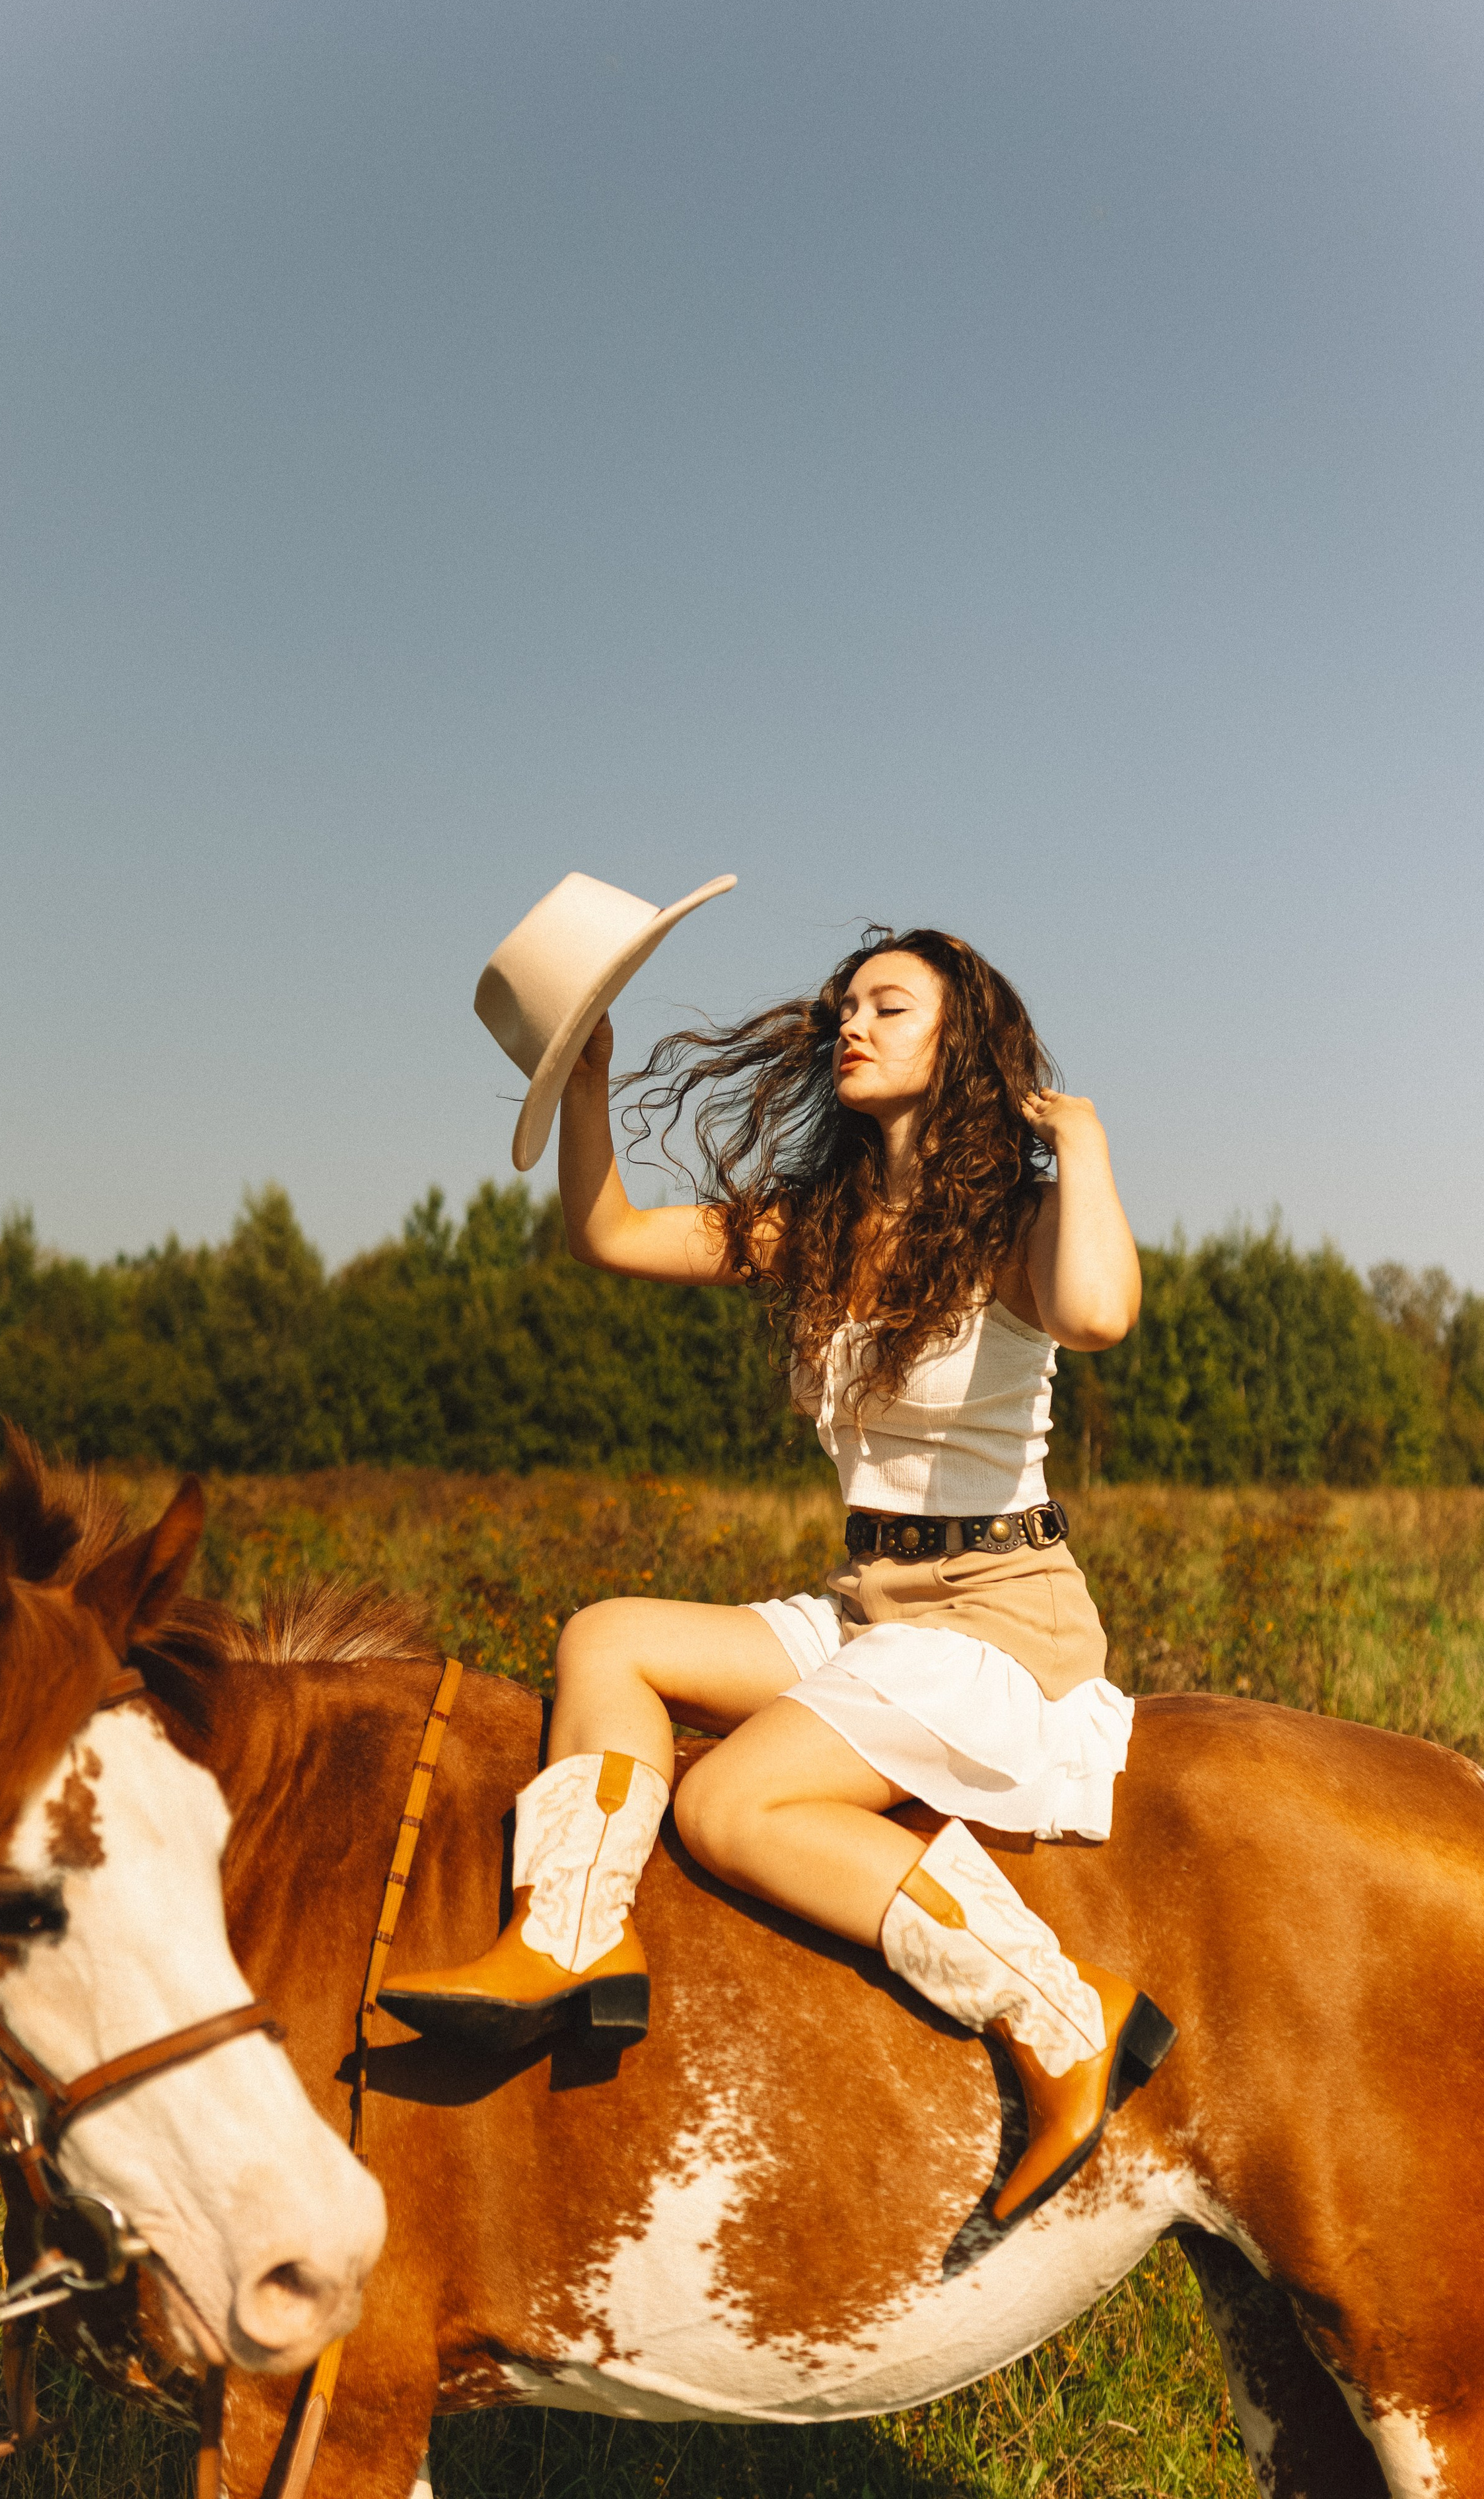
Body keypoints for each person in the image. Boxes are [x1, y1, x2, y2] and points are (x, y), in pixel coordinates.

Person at [384, 927, 1173, 2221]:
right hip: (867, 1605)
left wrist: (1079, 1152)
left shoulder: (1015, 1228)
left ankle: (1061, 2008)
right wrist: (582, 1088)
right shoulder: (817, 1227)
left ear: (958, 1043)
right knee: (606, 1638)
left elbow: (1096, 1316)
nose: (847, 1027)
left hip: (997, 1619)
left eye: (886, 1007)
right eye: (842, 1011)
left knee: (732, 1809)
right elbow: (610, 1234)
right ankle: (572, 1934)